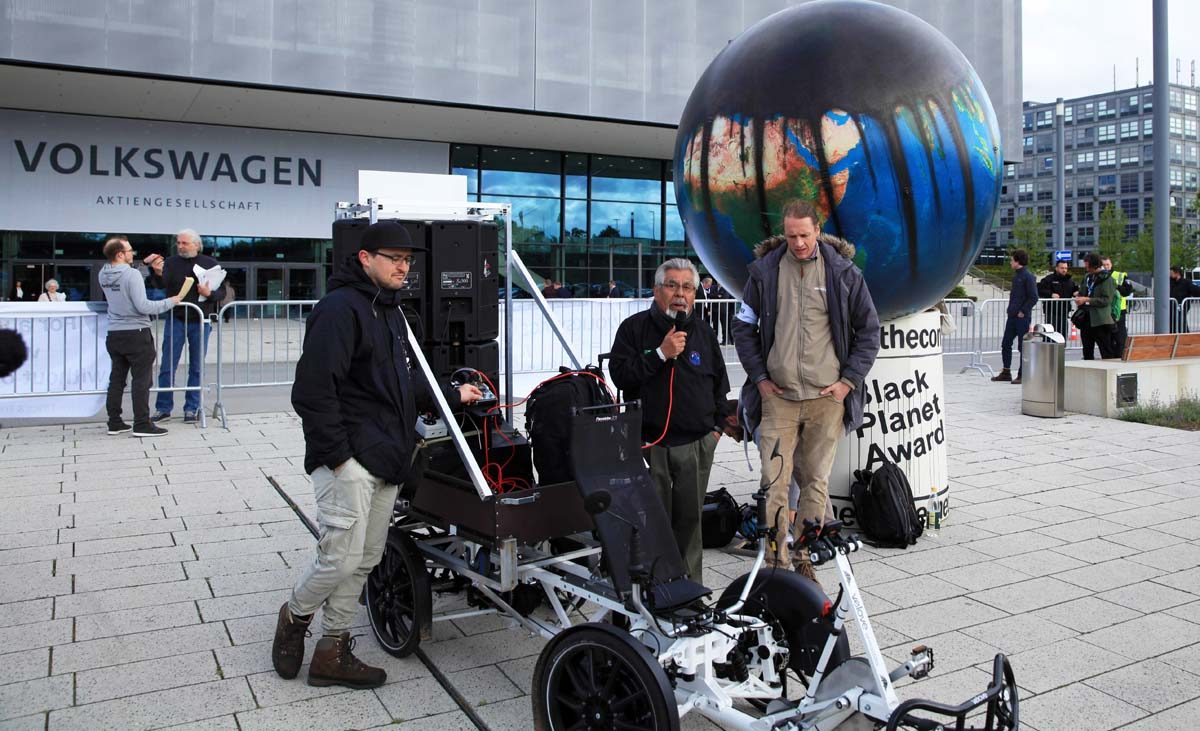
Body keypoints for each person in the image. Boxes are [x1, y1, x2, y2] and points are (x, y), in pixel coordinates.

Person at [275, 220, 482, 689]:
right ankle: (294, 617)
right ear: (365, 259)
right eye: (394, 258)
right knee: (339, 559)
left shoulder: (392, 312)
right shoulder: (338, 310)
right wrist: (339, 459)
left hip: (389, 456)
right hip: (350, 461)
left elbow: (403, 384)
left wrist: (452, 394)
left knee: (366, 559)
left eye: (407, 261)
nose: (403, 267)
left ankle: (333, 650)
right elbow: (312, 392)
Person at [731, 200, 880, 579]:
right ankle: (777, 562)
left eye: (804, 235)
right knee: (774, 482)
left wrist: (847, 383)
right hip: (777, 398)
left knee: (815, 482)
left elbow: (869, 332)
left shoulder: (844, 273)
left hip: (825, 399)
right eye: (791, 235)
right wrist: (761, 380)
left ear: (818, 229)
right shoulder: (765, 272)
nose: (797, 243)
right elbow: (743, 327)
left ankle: (805, 560)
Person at [608, 258, 732, 581]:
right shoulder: (633, 329)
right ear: (656, 290)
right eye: (672, 285)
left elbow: (720, 386)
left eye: (687, 287)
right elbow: (620, 375)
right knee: (652, 524)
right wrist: (660, 354)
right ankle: (657, 590)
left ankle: (690, 594)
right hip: (651, 446)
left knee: (691, 524)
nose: (680, 294)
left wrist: (715, 433)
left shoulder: (703, 333)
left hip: (696, 446)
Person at [97, 236, 180, 437]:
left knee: (117, 379)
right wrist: (171, 301)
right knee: (142, 380)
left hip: (115, 333)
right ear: (120, 254)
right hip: (137, 332)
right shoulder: (131, 275)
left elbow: (124, 277)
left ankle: (114, 422)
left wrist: (143, 264)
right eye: (129, 250)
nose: (132, 253)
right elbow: (143, 306)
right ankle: (142, 423)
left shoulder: (103, 273)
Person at [146, 229, 226, 423]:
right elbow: (159, 285)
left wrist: (209, 293)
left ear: (196, 245)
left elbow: (221, 292)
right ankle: (163, 408)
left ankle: (192, 408)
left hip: (200, 321)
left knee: (197, 367)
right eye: (178, 243)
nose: (180, 246)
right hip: (176, 320)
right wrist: (156, 273)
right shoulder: (171, 263)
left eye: (184, 243)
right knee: (167, 365)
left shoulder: (210, 264)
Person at [991, 248, 1038, 385]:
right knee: (1006, 343)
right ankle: (1006, 371)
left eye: (1012, 260)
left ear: (1018, 261)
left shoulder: (1028, 277)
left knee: (1022, 346)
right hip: (1012, 316)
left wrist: (1023, 310)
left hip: (1021, 317)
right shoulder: (1017, 276)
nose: (1010, 262)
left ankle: (1023, 374)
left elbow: (1033, 297)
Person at [1074, 253, 1118, 360]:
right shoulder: (1087, 277)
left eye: (1087, 265)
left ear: (1093, 265)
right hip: (1086, 319)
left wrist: (1088, 299)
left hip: (1100, 320)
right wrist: (1080, 297)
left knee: (1106, 350)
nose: (1085, 267)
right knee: (1087, 350)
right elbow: (1083, 292)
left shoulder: (1107, 279)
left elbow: (1106, 300)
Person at [1036, 260, 1078, 339]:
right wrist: (1051, 294)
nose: (1064, 270)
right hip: (1051, 312)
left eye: (1066, 268)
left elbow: (1074, 290)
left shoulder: (1069, 280)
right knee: (1050, 334)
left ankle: (1062, 349)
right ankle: (1049, 349)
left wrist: (1076, 293)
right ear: (1056, 268)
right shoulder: (1049, 279)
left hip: (1064, 312)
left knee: (1062, 335)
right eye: (1062, 268)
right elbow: (1039, 289)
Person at [1100, 256, 1133, 355]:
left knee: (1120, 337)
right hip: (1104, 310)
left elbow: (1127, 291)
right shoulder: (1098, 276)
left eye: (1107, 265)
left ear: (1111, 265)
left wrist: (1116, 286)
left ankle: (1120, 356)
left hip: (1119, 311)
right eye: (1103, 265)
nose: (1106, 267)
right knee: (1107, 338)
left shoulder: (1120, 275)